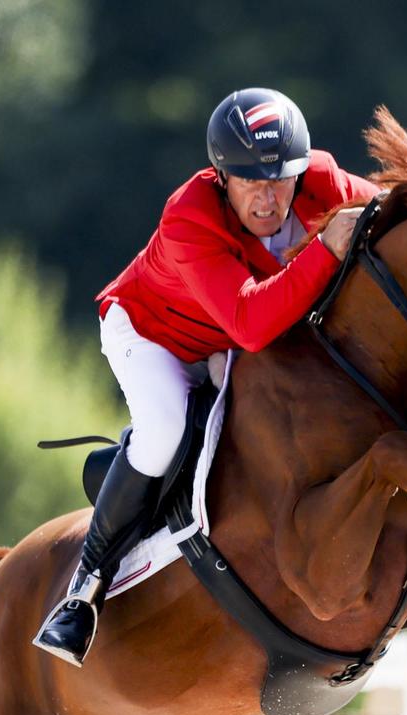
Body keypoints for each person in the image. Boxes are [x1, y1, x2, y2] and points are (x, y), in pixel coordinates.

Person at [34, 87, 380, 666]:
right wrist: (326, 250)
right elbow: (250, 322)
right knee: (166, 428)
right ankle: (84, 588)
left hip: (226, 341)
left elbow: (400, 214)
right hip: (152, 336)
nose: (268, 199)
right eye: (250, 181)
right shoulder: (188, 215)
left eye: (280, 180)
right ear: (222, 175)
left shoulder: (322, 182)